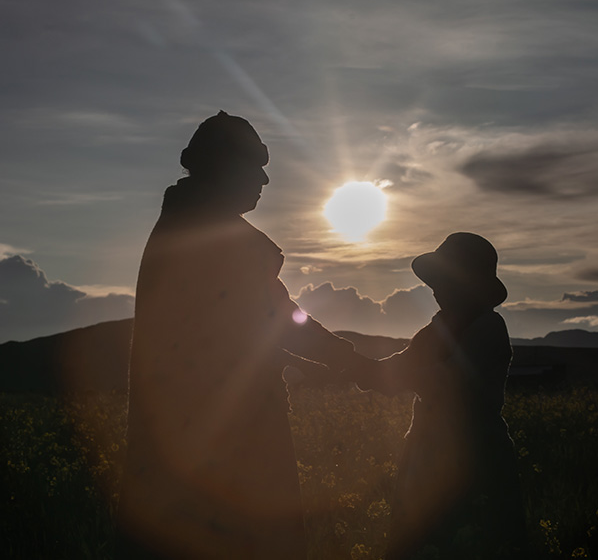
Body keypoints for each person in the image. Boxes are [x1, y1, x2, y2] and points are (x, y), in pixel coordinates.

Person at [117, 111, 365, 559]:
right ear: (224, 167)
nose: (265, 180)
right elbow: (275, 318)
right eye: (255, 166)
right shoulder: (219, 239)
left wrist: (330, 361)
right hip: (229, 436)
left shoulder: (182, 227)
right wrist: (349, 360)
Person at [345, 232, 529, 559]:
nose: (435, 291)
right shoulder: (439, 326)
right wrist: (355, 370)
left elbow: (445, 380)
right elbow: (401, 365)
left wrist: (368, 372)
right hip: (427, 454)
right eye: (435, 284)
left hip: (475, 455)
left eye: (442, 282)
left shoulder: (489, 327)